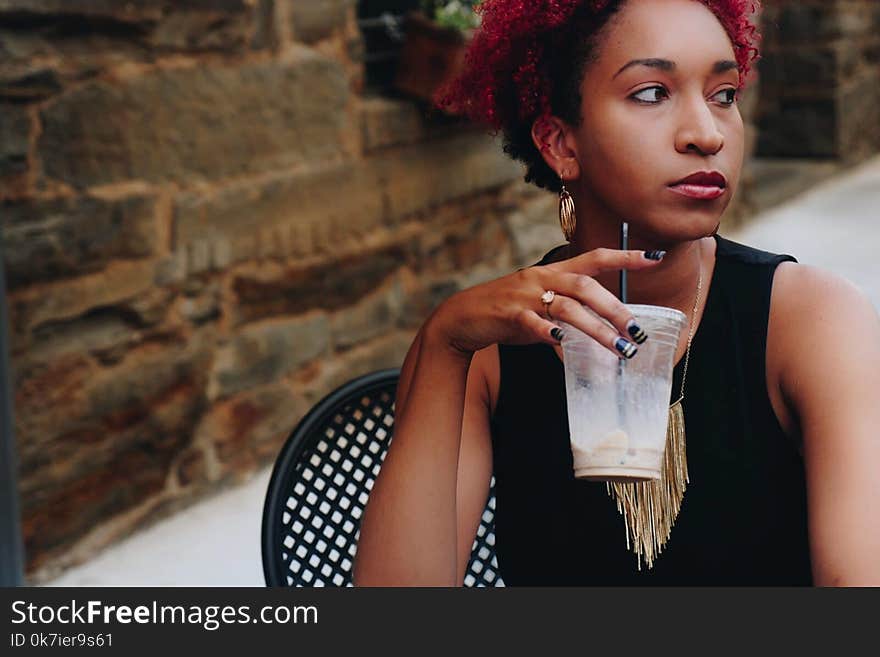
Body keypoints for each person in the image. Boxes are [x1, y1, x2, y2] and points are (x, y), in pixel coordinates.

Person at [352, 0, 880, 586]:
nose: (707, 134)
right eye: (652, 92)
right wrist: (443, 342)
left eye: (724, 94)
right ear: (560, 144)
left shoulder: (813, 322)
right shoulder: (487, 352)